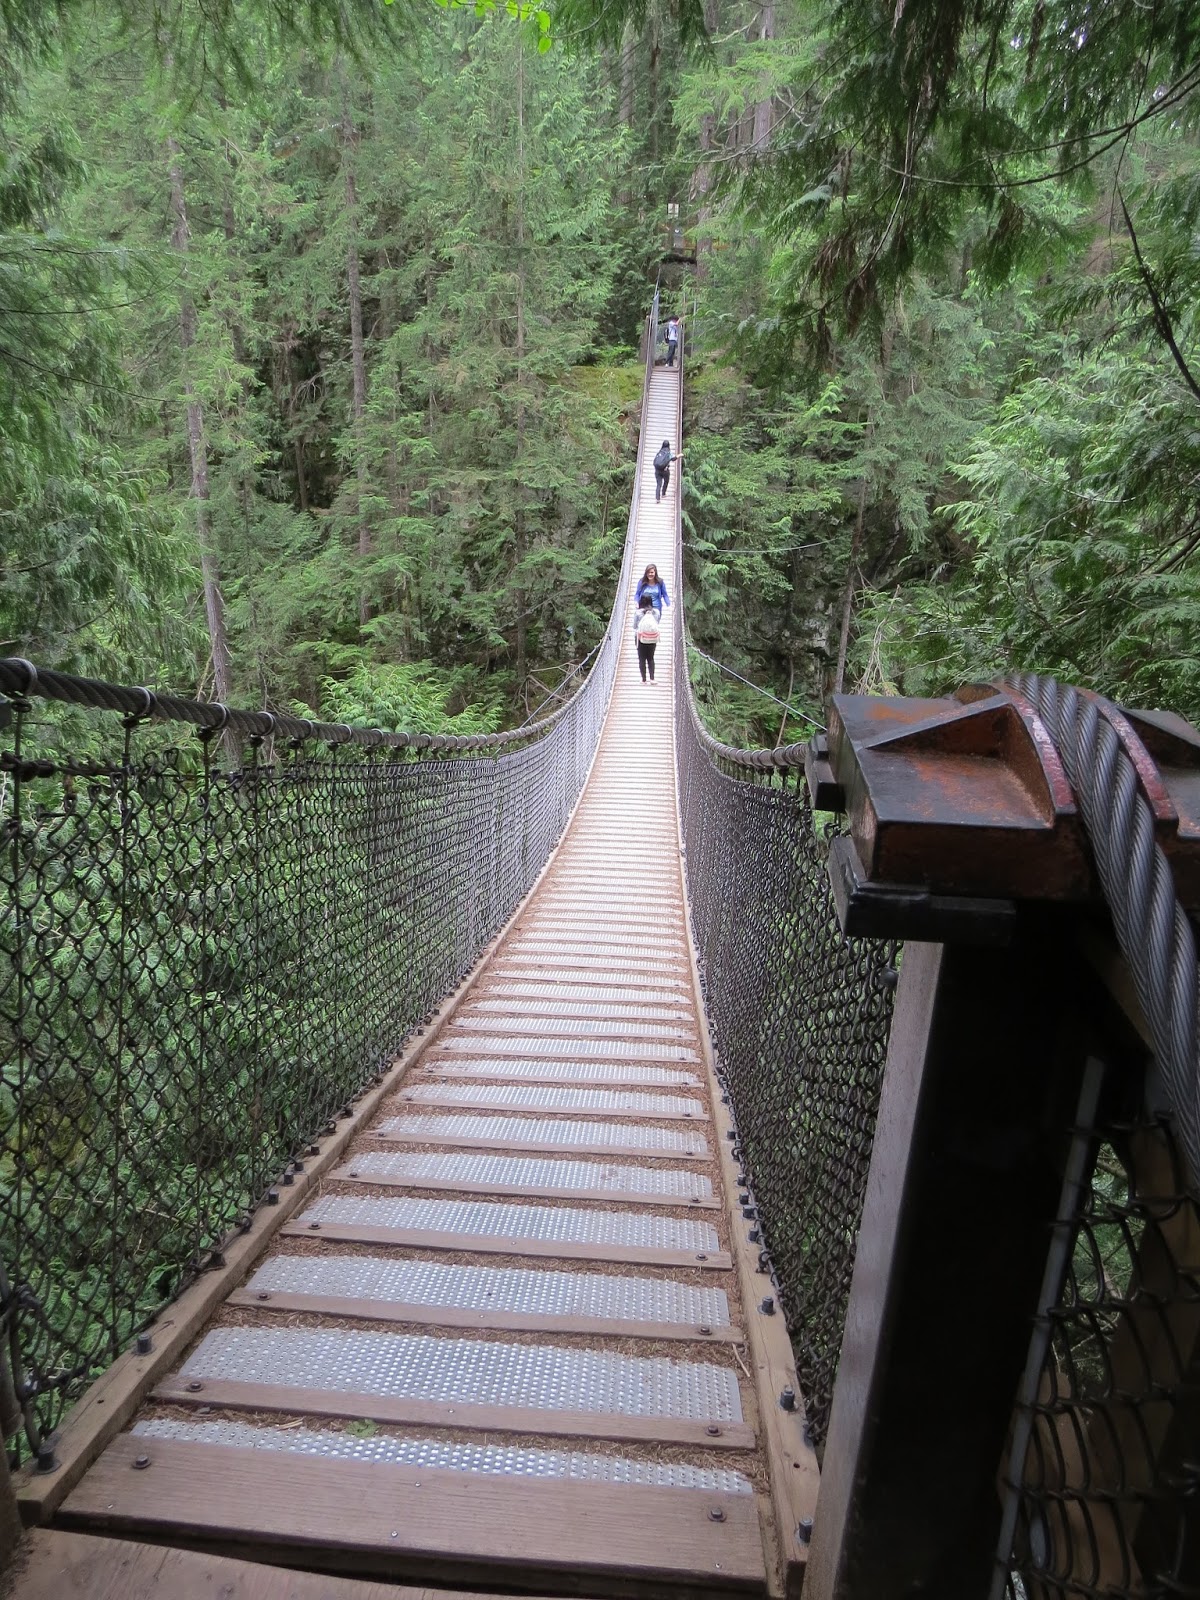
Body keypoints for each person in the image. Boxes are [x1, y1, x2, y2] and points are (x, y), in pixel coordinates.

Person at [633, 593, 660, 683]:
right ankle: (652, 679)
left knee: (641, 658)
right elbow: (656, 624)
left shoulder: (638, 613)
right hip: (652, 638)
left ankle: (643, 679)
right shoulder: (656, 612)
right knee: (651, 658)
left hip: (640, 638)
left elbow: (634, 626)